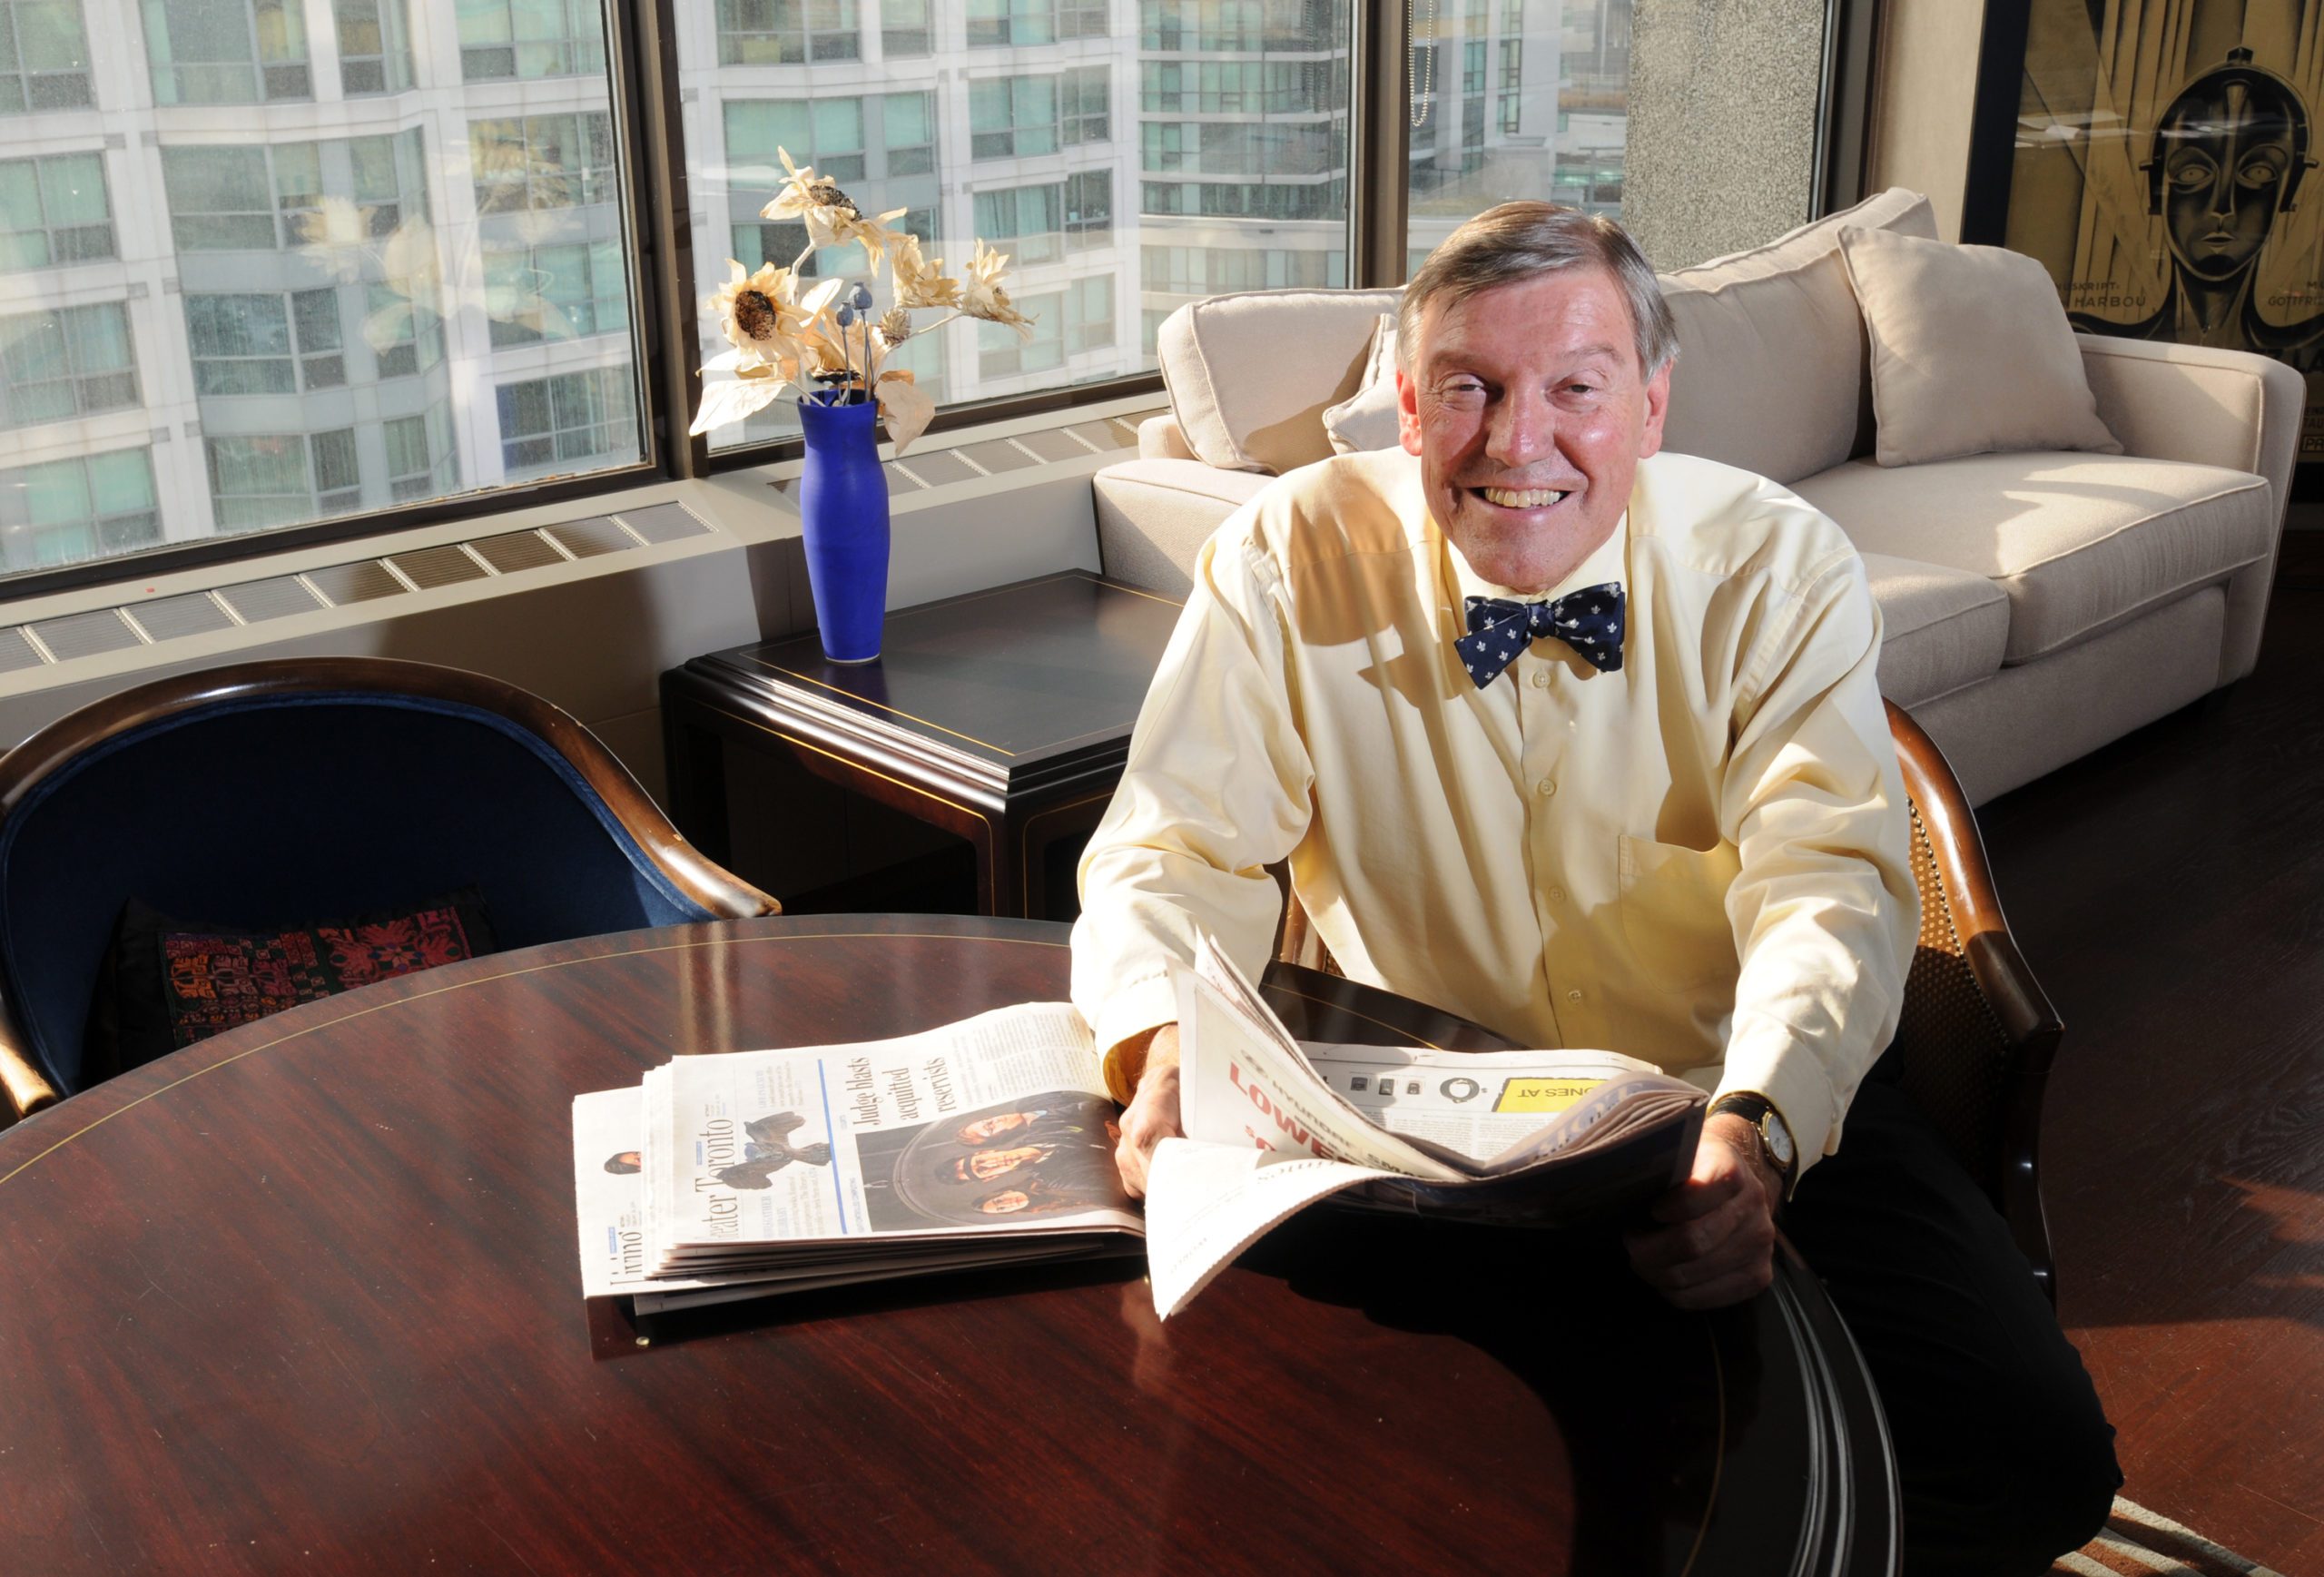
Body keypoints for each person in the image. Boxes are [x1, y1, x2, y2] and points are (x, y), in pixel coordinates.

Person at [1069, 202, 2121, 1574]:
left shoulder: (1775, 564)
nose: (1518, 442)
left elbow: (1829, 886)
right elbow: (1172, 848)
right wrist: (1159, 1046)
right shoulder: (1286, 556)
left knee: (2033, 1458)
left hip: (1721, 1085)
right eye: (1470, 388)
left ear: (1652, 405)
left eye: (1576, 386)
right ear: (1405, 406)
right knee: (1246, 1451)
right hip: (1411, 1112)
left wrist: (1764, 1124)